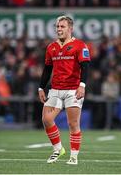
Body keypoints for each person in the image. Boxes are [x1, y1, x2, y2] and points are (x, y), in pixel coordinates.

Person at [38, 15, 90, 165]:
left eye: (62, 26)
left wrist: (82, 85)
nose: (59, 29)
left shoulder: (80, 45)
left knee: (73, 124)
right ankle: (58, 149)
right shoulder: (51, 47)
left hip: (73, 90)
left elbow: (85, 67)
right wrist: (41, 87)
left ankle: (74, 157)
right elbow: (47, 69)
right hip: (55, 89)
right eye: (57, 26)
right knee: (46, 119)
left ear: (70, 29)